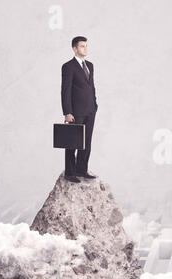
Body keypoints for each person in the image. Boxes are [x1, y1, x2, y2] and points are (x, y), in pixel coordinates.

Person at [61, 36, 98, 183]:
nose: (85, 48)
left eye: (86, 46)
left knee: (87, 141)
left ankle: (82, 169)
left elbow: (91, 87)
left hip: (90, 110)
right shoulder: (68, 67)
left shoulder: (90, 65)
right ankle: (70, 172)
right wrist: (67, 112)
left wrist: (95, 104)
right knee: (72, 142)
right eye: (82, 46)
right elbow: (65, 90)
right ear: (74, 48)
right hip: (76, 111)